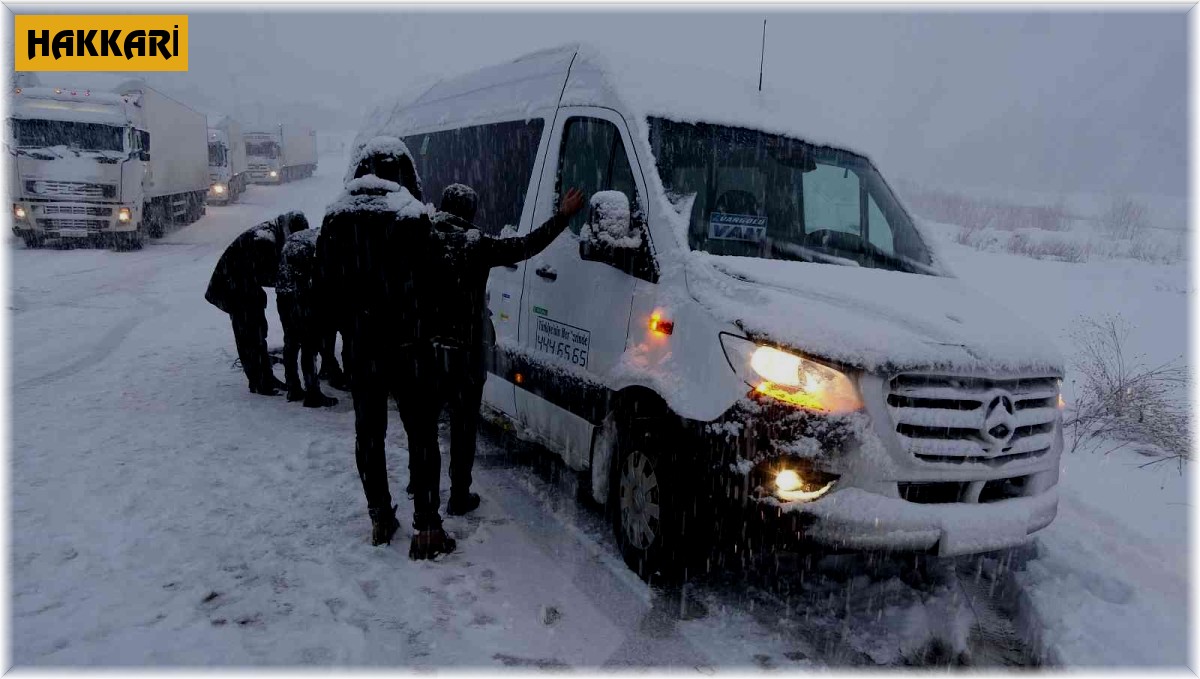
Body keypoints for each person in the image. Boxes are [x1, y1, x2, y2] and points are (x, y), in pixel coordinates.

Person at [317, 136, 454, 559]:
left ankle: (380, 516)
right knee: (422, 436)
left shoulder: (336, 219)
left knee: (369, 434)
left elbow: (323, 290)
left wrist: (347, 331)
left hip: (362, 348)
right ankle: (427, 527)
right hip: (410, 348)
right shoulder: (413, 216)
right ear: (404, 173)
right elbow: (439, 287)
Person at [426, 183, 586, 516]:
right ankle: (458, 495)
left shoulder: (422, 240)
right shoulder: (475, 244)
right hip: (467, 354)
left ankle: (425, 492)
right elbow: (525, 246)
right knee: (463, 426)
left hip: (428, 352)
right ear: (470, 212)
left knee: (425, 426)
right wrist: (562, 217)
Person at [205, 214, 297, 395]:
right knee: (250, 335)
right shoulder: (265, 239)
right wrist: (289, 280)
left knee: (255, 333)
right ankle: (261, 382)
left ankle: (264, 378)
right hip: (235, 290)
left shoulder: (270, 231)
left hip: (242, 289)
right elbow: (266, 273)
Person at [275, 211, 340, 408]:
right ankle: (313, 393)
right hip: (304, 297)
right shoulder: (317, 240)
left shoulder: (290, 241)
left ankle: (293, 388)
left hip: (284, 296)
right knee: (309, 344)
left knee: (291, 342)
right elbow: (322, 273)